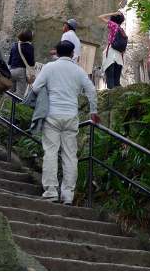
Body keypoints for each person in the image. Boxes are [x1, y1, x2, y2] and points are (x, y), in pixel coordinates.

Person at [31, 40, 100, 204]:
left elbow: (34, 88)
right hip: (71, 116)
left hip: (52, 115)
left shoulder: (49, 67)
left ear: (57, 53)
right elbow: (91, 90)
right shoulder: (78, 70)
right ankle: (68, 194)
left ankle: (51, 191)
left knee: (51, 153)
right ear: (72, 54)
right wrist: (93, 111)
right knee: (70, 156)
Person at [98, 11, 126, 89]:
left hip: (111, 55)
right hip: (119, 57)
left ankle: (111, 99)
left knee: (110, 80)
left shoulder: (113, 25)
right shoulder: (122, 30)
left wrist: (112, 13)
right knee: (117, 81)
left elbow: (100, 17)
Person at [8, 29, 35, 99]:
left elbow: (10, 60)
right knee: (20, 94)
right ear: (29, 37)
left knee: (10, 91)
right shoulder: (30, 47)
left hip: (11, 70)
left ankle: (6, 106)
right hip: (21, 71)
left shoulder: (14, 45)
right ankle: (15, 108)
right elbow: (31, 62)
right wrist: (31, 73)